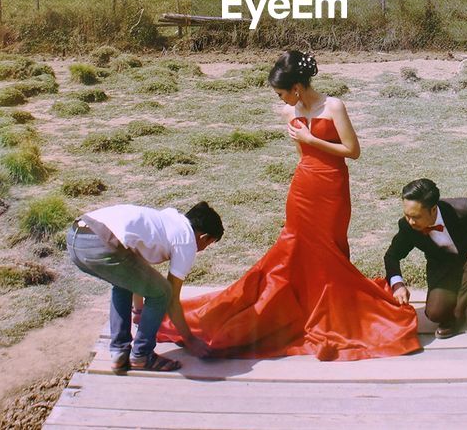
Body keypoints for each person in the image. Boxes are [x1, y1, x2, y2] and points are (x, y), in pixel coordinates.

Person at [159, 50, 420, 361]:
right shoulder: (289, 113)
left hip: (333, 188)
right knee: (294, 249)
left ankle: (332, 314)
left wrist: (312, 139)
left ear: (297, 86)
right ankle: (295, 309)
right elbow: (302, 157)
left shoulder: (334, 106)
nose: (280, 99)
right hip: (303, 188)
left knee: (330, 251)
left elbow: (352, 151)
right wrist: (306, 146)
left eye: (282, 92)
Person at [67, 201, 223, 373]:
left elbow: (135, 267)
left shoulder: (169, 219)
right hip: (100, 243)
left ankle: (119, 351)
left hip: (77, 238)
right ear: (203, 236)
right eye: (209, 244)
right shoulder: (187, 241)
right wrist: (190, 340)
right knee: (162, 292)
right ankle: (142, 354)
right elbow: (171, 298)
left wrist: (139, 311)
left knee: (123, 282)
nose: (203, 249)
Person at [385, 178, 467, 338]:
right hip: (444, 268)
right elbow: (392, 256)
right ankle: (455, 296)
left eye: (416, 216)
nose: (410, 221)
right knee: (435, 313)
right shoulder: (408, 226)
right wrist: (397, 285)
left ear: (433, 209)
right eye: (406, 215)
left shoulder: (464, 208)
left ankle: (459, 314)